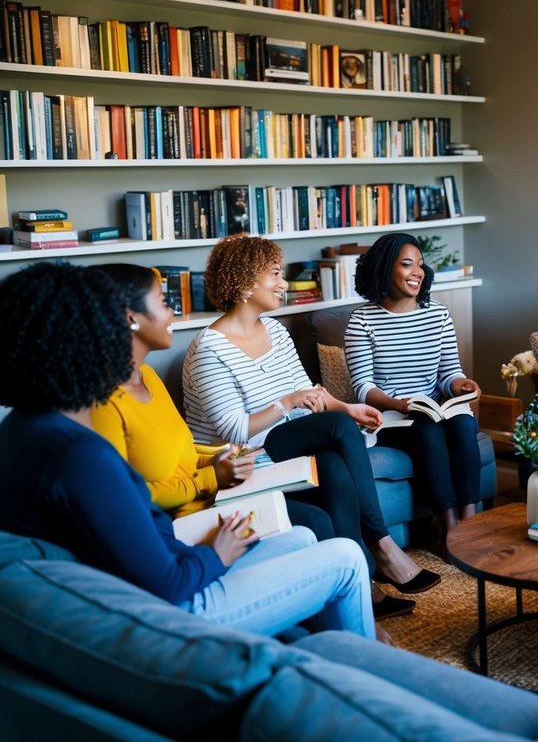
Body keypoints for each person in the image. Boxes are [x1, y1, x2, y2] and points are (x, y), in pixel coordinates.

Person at [0, 262, 378, 641]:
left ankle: (321, 650)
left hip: (164, 571)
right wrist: (218, 552)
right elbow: (168, 583)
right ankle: (364, 675)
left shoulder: (22, 428)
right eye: (105, 323)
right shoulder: (79, 456)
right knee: (344, 558)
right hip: (173, 611)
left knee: (303, 539)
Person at [90, 263, 414, 620]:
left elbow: (187, 447)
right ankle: (372, 563)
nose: (171, 312)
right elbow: (129, 495)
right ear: (131, 317)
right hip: (194, 508)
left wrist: (221, 457)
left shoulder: (148, 376)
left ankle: (362, 594)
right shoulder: (105, 402)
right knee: (320, 505)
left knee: (333, 467)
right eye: (163, 302)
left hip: (224, 479)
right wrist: (214, 474)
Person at [182, 234, 440, 597]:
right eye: (274, 274)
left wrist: (347, 408)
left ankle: (360, 579)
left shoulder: (275, 330)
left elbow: (309, 391)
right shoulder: (209, 348)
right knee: (334, 429)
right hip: (241, 459)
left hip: (284, 443)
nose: (283, 284)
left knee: (333, 461)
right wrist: (288, 403)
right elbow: (235, 429)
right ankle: (381, 544)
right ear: (245, 278)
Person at [346, 233, 482, 547]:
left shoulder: (438, 314)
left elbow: (450, 373)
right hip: (395, 417)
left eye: (420, 265)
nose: (417, 272)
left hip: (434, 407)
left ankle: (471, 524)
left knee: (463, 424)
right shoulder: (362, 321)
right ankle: (449, 531)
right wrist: (398, 402)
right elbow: (363, 387)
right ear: (384, 268)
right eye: (407, 265)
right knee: (429, 431)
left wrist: (461, 385)